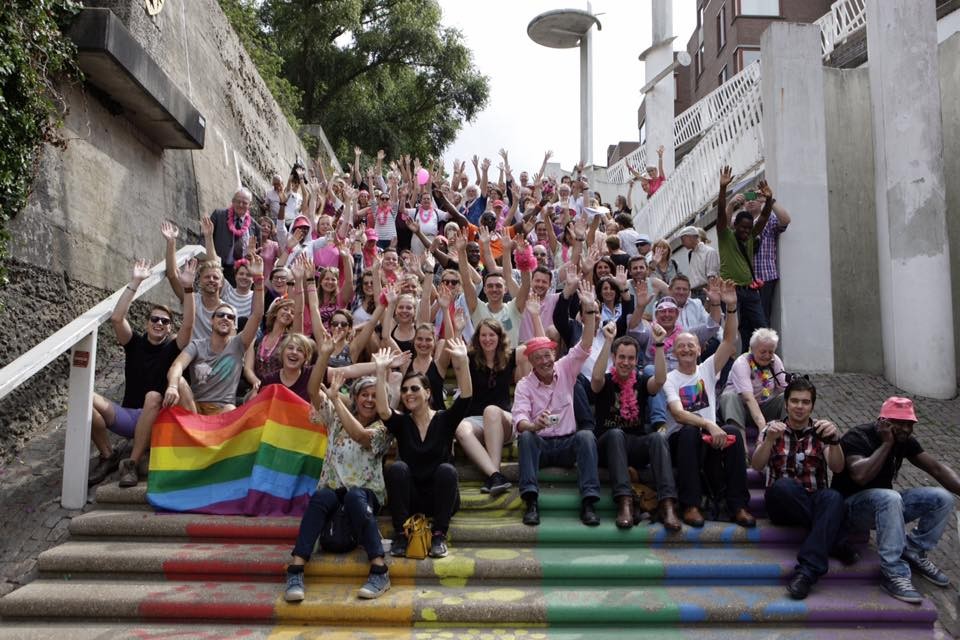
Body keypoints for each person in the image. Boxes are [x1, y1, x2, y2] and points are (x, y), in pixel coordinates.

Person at [832, 397, 960, 604]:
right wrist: (886, 444)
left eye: (909, 424)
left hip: (886, 507)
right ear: (883, 421)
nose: (906, 429)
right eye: (899, 423)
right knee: (890, 497)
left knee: (942, 497)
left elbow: (936, 468)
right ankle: (893, 573)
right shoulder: (857, 437)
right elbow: (860, 475)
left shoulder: (904, 440)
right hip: (851, 510)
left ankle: (913, 550)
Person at [283, 370, 395, 602]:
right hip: (334, 490)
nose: (369, 399)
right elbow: (313, 390)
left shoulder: (385, 429)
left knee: (355, 496)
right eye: (364, 394)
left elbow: (361, 435)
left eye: (375, 395)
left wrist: (335, 399)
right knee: (321, 497)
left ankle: (379, 570)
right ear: (355, 398)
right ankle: (295, 570)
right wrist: (324, 353)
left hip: (366, 494)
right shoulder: (335, 418)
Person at [92, 256, 196, 486]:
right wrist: (135, 282)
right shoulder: (134, 343)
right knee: (84, 400)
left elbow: (188, 325)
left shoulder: (172, 347)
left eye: (165, 321)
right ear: (147, 323)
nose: (159, 323)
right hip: (129, 417)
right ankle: (108, 455)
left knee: (153, 396)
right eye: (155, 319)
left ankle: (131, 462)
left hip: (158, 417)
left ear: (170, 328)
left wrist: (188, 288)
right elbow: (117, 318)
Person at [663, 279, 754, 528]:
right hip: (681, 439)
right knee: (691, 431)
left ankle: (737, 505)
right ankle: (691, 505)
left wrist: (731, 307)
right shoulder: (670, 379)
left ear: (699, 349)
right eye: (681, 346)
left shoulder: (707, 369)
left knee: (734, 432)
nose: (686, 349)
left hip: (709, 436)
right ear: (674, 352)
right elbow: (679, 415)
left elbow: (729, 340)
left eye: (690, 345)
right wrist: (710, 425)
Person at [750, 378, 847, 600]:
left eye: (805, 402)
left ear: (812, 405)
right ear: (786, 404)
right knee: (784, 486)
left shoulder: (822, 431)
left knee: (833, 497)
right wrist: (769, 441)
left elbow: (838, 467)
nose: (799, 406)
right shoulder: (771, 429)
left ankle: (807, 572)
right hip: (781, 503)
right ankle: (835, 539)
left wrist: (835, 441)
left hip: (814, 499)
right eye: (794, 401)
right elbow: (756, 465)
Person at [514, 281, 601, 527]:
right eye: (539, 357)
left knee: (586, 436)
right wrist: (532, 425)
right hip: (540, 444)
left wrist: (590, 311)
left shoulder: (565, 368)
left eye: (548, 356)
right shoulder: (524, 385)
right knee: (526, 438)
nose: (545, 361)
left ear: (554, 355)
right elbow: (519, 419)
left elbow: (585, 345)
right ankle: (531, 502)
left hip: (566, 443)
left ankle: (589, 502)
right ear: (530, 361)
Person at [375, 339, 472, 559]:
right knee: (396, 468)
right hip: (411, 498)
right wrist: (381, 371)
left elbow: (466, 397)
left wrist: (463, 362)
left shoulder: (445, 419)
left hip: (441, 498)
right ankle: (401, 534)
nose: (409, 393)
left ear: (428, 393)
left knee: (447, 470)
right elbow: (382, 410)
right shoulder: (402, 422)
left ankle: (439, 535)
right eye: (405, 389)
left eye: (415, 388)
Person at [590, 323, 681, 531]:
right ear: (614, 358)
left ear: (636, 361)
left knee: (658, 437)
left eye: (631, 358)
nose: (626, 362)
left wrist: (659, 344)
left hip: (635, 444)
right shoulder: (604, 380)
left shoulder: (640, 380)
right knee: (615, 434)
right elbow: (595, 379)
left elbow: (659, 380)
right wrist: (608, 341)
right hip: (608, 445)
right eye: (621, 357)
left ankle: (667, 504)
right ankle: (625, 501)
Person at [163, 255, 265, 415]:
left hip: (221, 410)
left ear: (234, 323)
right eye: (221, 315)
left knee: (231, 409)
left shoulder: (239, 344)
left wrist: (258, 281)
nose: (225, 318)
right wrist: (173, 386)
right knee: (180, 381)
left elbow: (257, 315)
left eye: (230, 317)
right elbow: (177, 366)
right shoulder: (197, 345)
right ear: (212, 320)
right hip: (194, 407)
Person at [716, 166, 772, 352]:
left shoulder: (749, 237)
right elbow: (720, 217)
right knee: (731, 332)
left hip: (750, 291)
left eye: (749, 228)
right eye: (743, 227)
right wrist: (723, 189)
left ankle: (758, 363)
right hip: (731, 291)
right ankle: (727, 370)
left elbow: (763, 217)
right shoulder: (725, 236)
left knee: (761, 329)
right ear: (735, 225)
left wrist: (769, 200)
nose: (746, 231)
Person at [727, 188, 792, 324]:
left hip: (765, 276)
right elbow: (724, 225)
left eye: (754, 198)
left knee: (762, 317)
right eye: (747, 199)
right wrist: (731, 204)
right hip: (742, 279)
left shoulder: (769, 219)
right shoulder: (739, 222)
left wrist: (769, 200)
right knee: (744, 320)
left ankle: (763, 345)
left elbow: (785, 220)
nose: (750, 201)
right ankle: (748, 345)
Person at [718, 328, 787, 439]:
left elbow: (784, 387)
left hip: (764, 406)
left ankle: (787, 440)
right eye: (763, 352)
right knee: (729, 396)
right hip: (741, 410)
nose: (767, 355)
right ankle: (742, 449)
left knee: (788, 397)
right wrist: (762, 428)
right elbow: (748, 398)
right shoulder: (741, 363)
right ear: (752, 349)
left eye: (771, 352)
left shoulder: (775, 361)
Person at [209, 188, 261, 286]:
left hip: (238, 274)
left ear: (250, 205)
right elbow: (206, 237)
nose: (241, 205)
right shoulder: (219, 215)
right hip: (216, 266)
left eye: (245, 203)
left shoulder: (255, 227)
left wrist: (251, 256)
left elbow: (257, 254)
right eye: (238, 201)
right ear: (233, 201)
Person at [678, 226, 719, 303]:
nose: (682, 243)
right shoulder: (691, 254)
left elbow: (712, 277)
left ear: (691, 237)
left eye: (683, 240)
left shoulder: (709, 252)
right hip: (694, 294)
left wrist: (709, 299)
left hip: (705, 292)